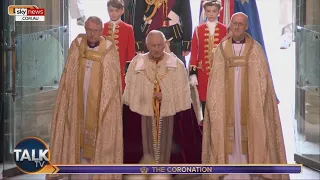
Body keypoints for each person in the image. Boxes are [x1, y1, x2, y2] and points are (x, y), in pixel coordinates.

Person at [202, 12, 289, 180]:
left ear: (246, 26)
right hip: (227, 99)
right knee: (228, 128)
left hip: (249, 100)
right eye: (234, 23)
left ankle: (253, 168)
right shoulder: (221, 48)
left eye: (240, 24)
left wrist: (259, 99)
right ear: (230, 25)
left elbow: (263, 78)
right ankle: (226, 167)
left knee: (251, 128)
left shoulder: (255, 48)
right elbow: (215, 79)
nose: (236, 27)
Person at [46, 16, 123, 180]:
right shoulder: (77, 45)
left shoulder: (109, 49)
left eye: (95, 31)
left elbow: (113, 79)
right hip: (78, 101)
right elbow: (69, 74)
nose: (92, 34)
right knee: (76, 135)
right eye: (89, 30)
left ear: (101, 31)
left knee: (96, 135)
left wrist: (105, 100)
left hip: (99, 104)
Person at [123, 30, 202, 178]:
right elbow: (130, 92)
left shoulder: (176, 64)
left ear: (165, 44)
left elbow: (183, 93)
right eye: (153, 45)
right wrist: (147, 95)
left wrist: (166, 96)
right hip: (142, 117)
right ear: (147, 45)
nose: (157, 49)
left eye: (160, 45)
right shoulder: (137, 63)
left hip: (170, 118)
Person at [189, 0, 227, 117]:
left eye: (214, 11)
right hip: (202, 72)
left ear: (219, 12)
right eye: (208, 11)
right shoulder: (197, 30)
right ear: (204, 12)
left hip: (220, 71)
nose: (211, 14)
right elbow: (194, 52)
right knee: (204, 100)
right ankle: (206, 126)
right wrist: (193, 73)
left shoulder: (224, 29)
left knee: (219, 98)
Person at [133, 0, 192, 66]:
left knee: (177, 69)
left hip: (174, 35)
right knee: (150, 70)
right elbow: (138, 18)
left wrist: (187, 42)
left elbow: (186, 17)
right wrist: (138, 43)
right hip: (151, 34)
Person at [102, 0, 136, 90]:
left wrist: (129, 69)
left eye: (116, 11)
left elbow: (131, 50)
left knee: (121, 91)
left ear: (122, 11)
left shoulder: (128, 28)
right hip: (105, 65)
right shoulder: (103, 27)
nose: (113, 13)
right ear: (107, 10)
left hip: (122, 67)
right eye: (111, 10)